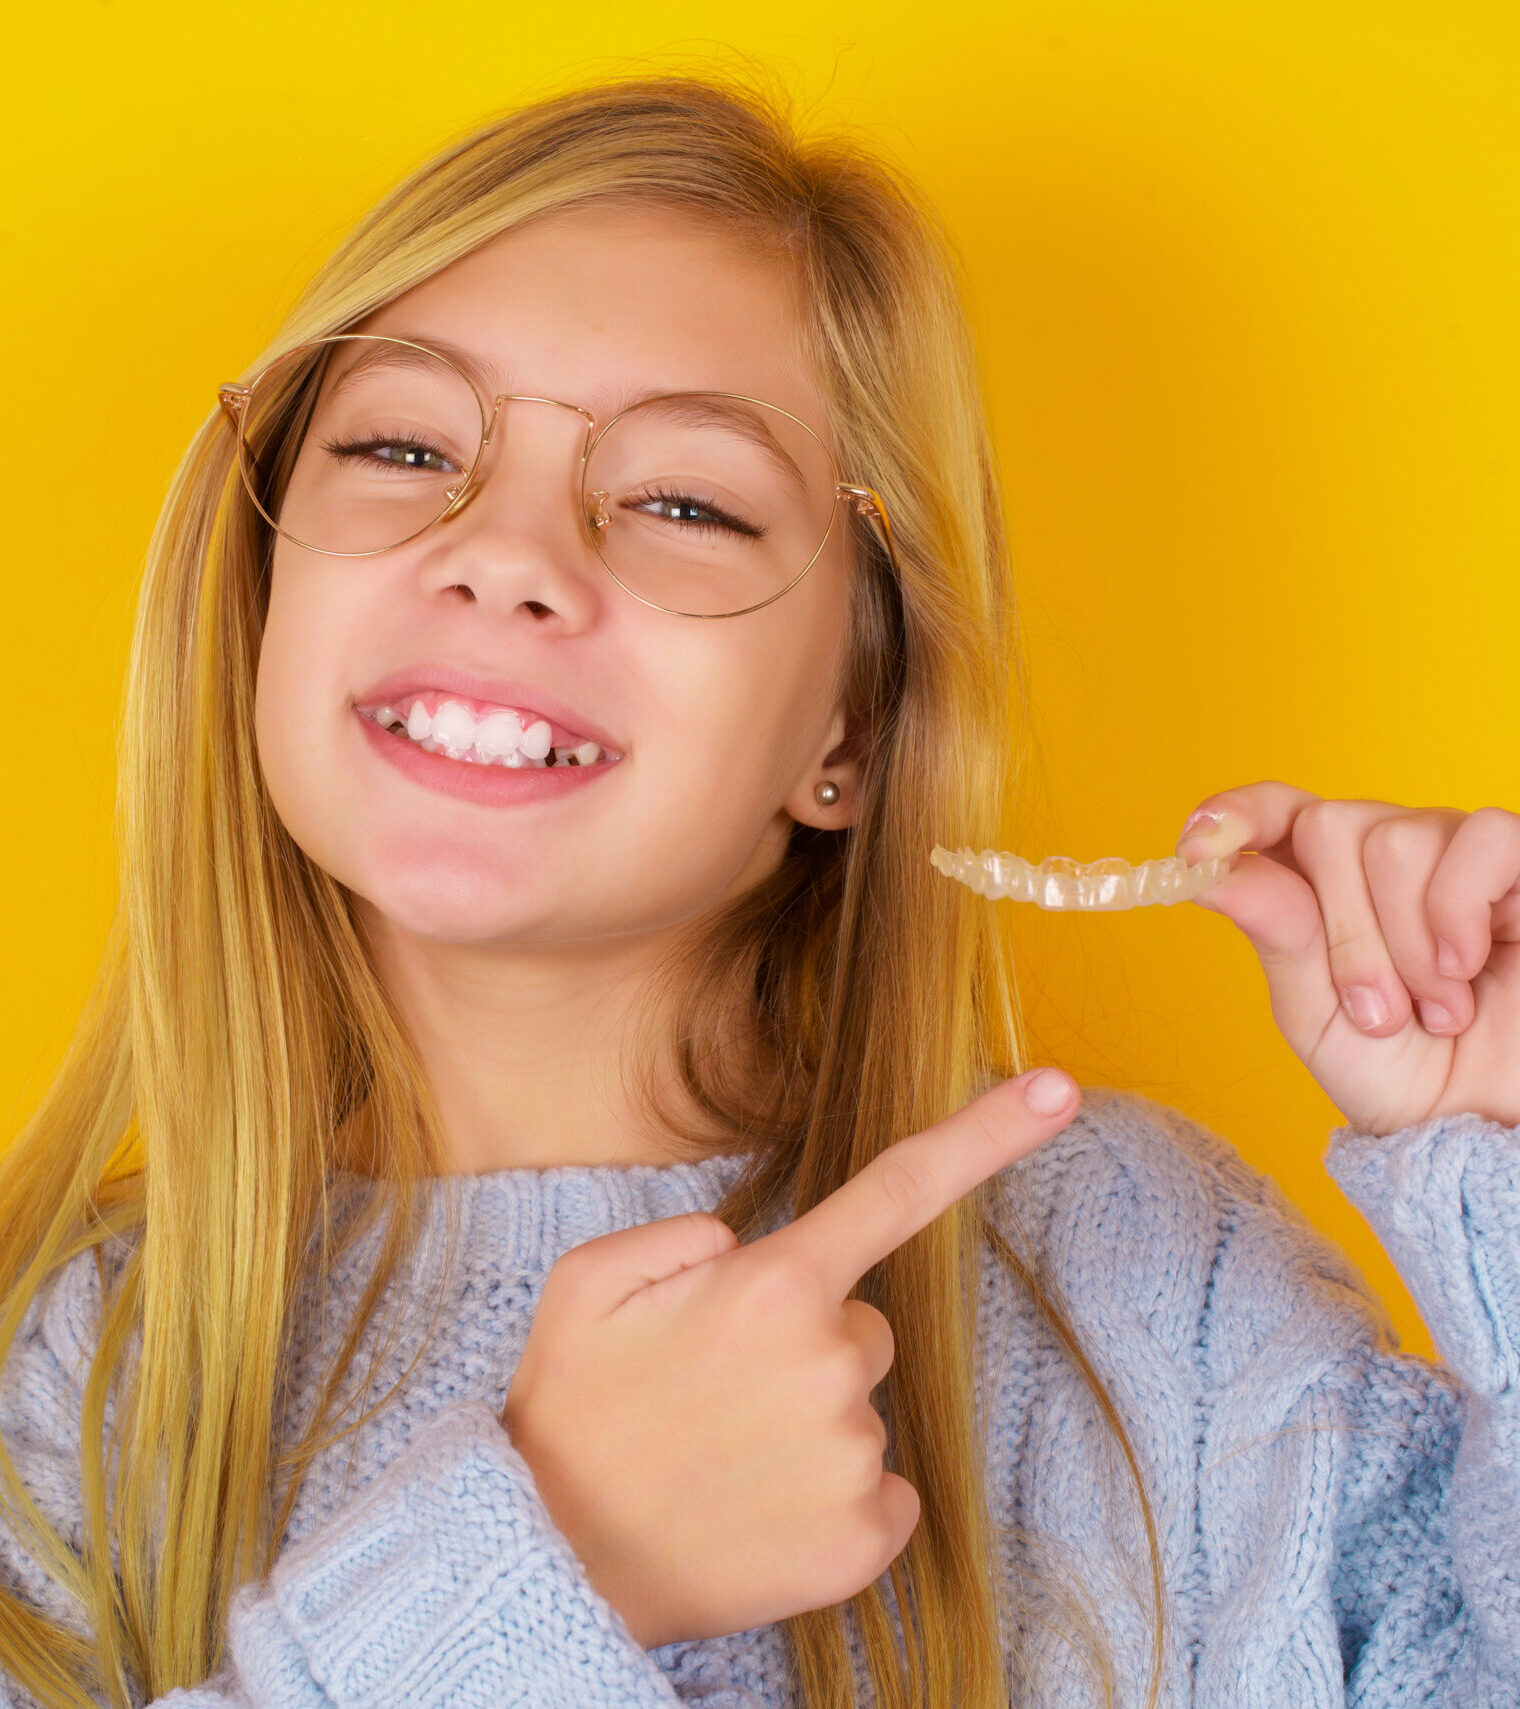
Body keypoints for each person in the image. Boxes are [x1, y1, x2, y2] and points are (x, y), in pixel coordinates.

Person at [0, 72, 1514, 1709]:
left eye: (682, 502)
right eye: (404, 444)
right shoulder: (61, 1379)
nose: (504, 551)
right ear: (258, 587)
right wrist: (553, 1563)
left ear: (848, 726)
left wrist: (1505, 1166)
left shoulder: (1149, 1280)